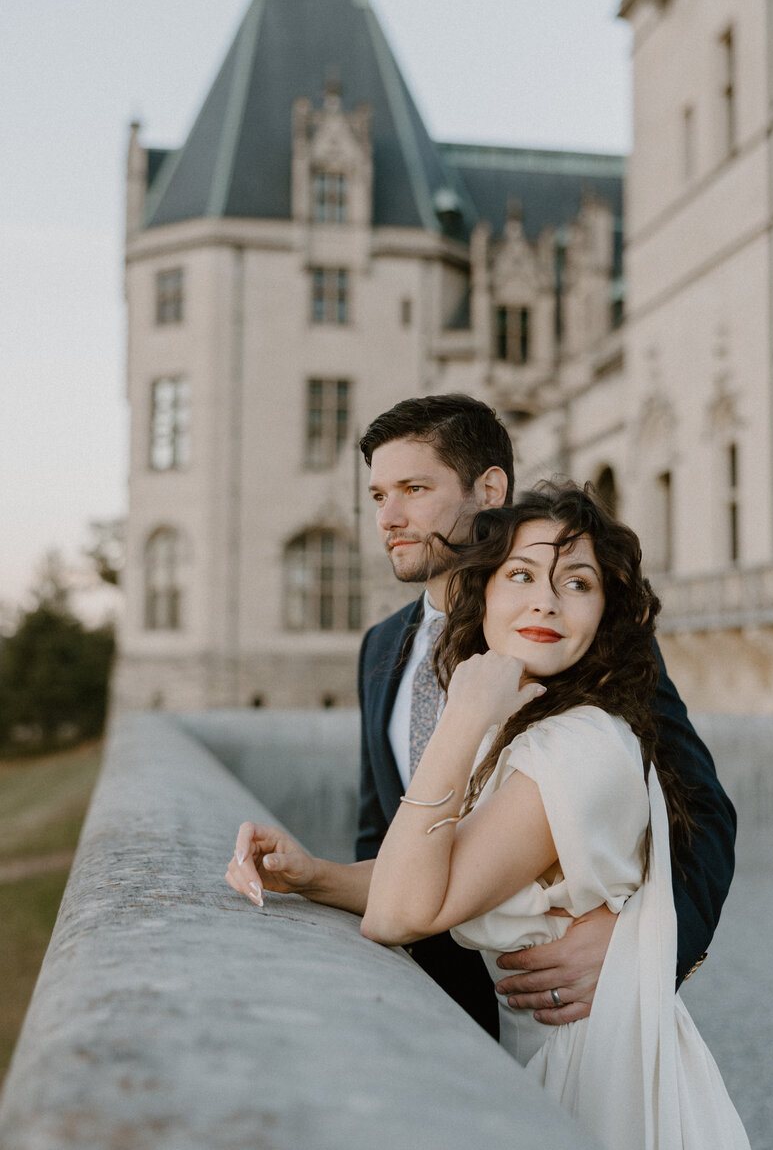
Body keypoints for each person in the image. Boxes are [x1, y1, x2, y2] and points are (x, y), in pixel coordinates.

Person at [226, 395, 736, 1040]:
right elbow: (381, 834)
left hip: (554, 1010)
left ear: (489, 489)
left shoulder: (576, 639)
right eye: (379, 494)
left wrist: (649, 940)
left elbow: (702, 808)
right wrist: (313, 878)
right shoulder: (382, 647)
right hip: (421, 1006)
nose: (390, 516)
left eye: (414, 488)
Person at [360, 484, 750, 1147]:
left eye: (577, 582)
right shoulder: (535, 728)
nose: (545, 599)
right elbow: (444, 864)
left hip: (595, 1075)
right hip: (553, 1057)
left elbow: (397, 911)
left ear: (604, 614)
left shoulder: (574, 748)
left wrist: (460, 718)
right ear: (480, 591)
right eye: (520, 576)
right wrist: (310, 875)